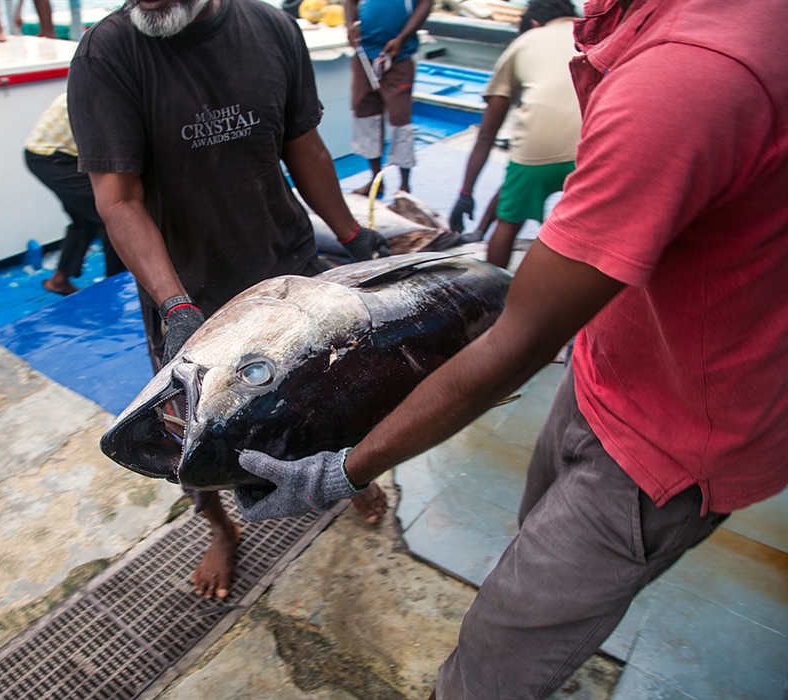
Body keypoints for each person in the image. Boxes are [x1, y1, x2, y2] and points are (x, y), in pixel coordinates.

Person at [230, 0, 788, 697]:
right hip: (607, 373)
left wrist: (346, 468)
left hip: (669, 447)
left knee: (493, 663)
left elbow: (516, 342)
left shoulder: (687, 78)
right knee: (531, 549)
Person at [67, 0, 390, 600]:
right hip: (190, 294)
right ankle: (219, 528)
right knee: (188, 440)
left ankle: (349, 474)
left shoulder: (273, 28)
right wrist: (174, 306)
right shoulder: (107, 54)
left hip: (288, 271)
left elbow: (306, 148)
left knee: (329, 397)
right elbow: (118, 199)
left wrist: (352, 234)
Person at [449, 0, 581, 268]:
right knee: (582, 231)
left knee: (509, 223)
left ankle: (493, 296)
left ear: (532, 23)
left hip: (536, 154)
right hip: (593, 149)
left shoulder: (526, 41)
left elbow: (487, 134)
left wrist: (465, 193)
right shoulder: (597, 35)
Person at [24, 93, 126, 295]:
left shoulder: (85, 84)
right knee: (112, 216)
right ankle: (116, 288)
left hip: (45, 156)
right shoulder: (101, 97)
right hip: (54, 160)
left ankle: (58, 280)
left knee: (84, 220)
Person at [345, 0, 432, 196]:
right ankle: (376, 180)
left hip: (398, 57)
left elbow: (426, 3)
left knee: (400, 121)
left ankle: (404, 188)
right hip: (363, 55)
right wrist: (350, 25)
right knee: (365, 115)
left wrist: (402, 38)